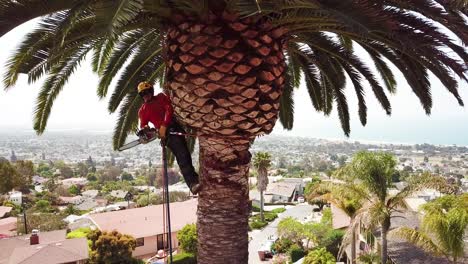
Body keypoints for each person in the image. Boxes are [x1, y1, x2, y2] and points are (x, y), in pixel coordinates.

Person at [137, 81, 200, 194]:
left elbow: (169, 109)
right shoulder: (142, 110)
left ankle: (194, 182)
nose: (145, 95)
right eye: (142, 94)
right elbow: (143, 124)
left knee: (184, 154)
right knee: (182, 156)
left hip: (173, 127)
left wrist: (164, 125)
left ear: (151, 91)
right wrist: (145, 130)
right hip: (167, 135)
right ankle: (193, 183)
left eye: (146, 92)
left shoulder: (161, 97)